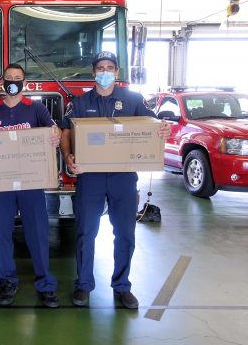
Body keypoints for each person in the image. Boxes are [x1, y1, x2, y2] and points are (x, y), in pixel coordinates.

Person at [59, 51, 171, 309]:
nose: (105, 71)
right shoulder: (79, 102)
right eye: (101, 67)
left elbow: (153, 125)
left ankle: (122, 287)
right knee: (86, 232)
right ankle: (84, 285)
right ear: (94, 72)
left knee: (125, 233)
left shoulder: (133, 100)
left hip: (123, 177)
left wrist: (163, 127)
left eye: (110, 67)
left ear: (117, 72)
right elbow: (65, 132)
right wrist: (68, 156)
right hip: (90, 178)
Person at [0, 63, 61, 308]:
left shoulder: (37, 108)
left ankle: (45, 284)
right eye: (8, 78)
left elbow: (53, 132)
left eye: (17, 78)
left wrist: (55, 134)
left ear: (24, 82)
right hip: (0, 185)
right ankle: (7, 282)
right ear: (3, 82)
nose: (13, 81)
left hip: (31, 184)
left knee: (38, 233)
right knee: (1, 235)